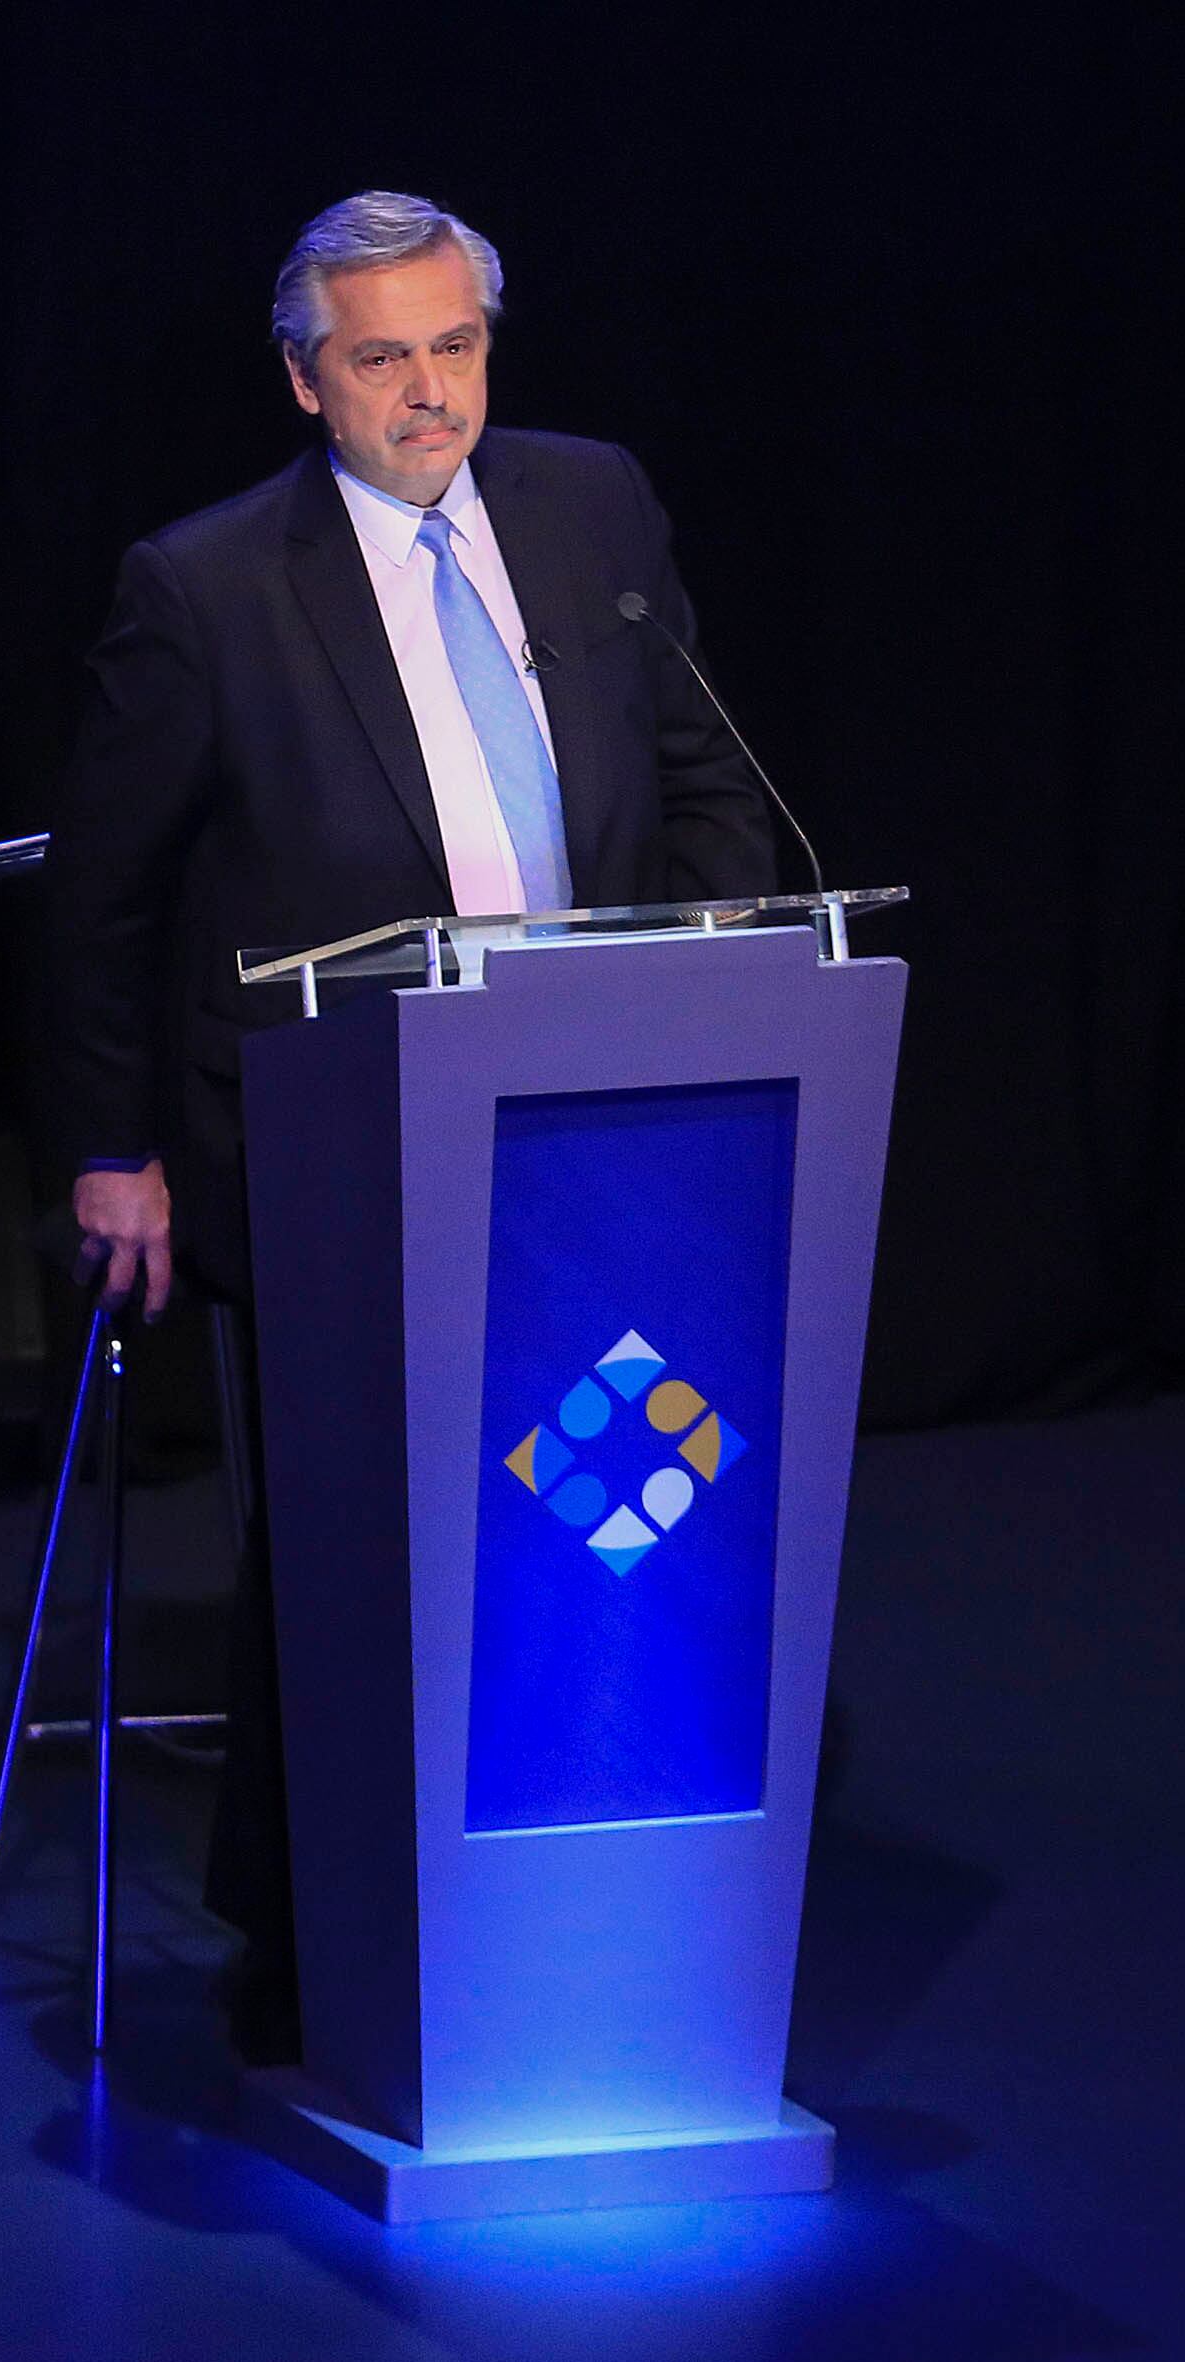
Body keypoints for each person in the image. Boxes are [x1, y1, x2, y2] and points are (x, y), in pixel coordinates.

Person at [39, 193, 772, 2061]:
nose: (427, 392)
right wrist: (110, 1146)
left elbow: (700, 774)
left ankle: (584, 1880)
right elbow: (106, 899)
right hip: (326, 1123)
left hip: (599, 1111)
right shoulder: (203, 586)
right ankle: (320, 1945)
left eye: (455, 348)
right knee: (363, 1532)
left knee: (572, 1492)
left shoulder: (595, 501)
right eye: (382, 359)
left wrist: (722, 990)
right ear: (307, 379)